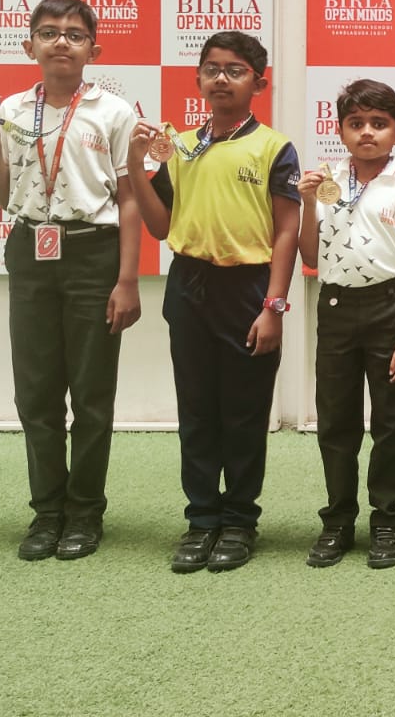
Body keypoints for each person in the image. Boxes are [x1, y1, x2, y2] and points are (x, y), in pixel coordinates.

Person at [0, 0, 140, 562]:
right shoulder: (12, 110)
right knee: (36, 391)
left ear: (94, 49)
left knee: (91, 393)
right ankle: (47, 511)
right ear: (29, 46)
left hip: (94, 253)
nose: (61, 41)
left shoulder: (114, 112)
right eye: (48, 32)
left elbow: (130, 198)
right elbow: (3, 195)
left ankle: (85, 511)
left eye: (74, 34)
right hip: (30, 250)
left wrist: (128, 279)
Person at [126, 31, 300, 574]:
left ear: (258, 84)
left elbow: (287, 231)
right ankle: (202, 519)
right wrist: (135, 165)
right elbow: (160, 227)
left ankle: (240, 520)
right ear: (198, 78)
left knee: (244, 412)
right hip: (190, 285)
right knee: (197, 410)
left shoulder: (274, 147)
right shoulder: (179, 146)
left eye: (235, 70)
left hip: (249, 289)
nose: (221, 78)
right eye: (212, 69)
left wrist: (274, 306)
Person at [297, 79, 395, 570]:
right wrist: (306, 204)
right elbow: (309, 257)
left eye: (379, 124)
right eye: (356, 123)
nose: (367, 133)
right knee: (335, 421)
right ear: (339, 130)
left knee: (390, 421)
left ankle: (386, 519)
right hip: (336, 308)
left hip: (390, 307)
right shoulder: (325, 183)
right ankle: (338, 519)